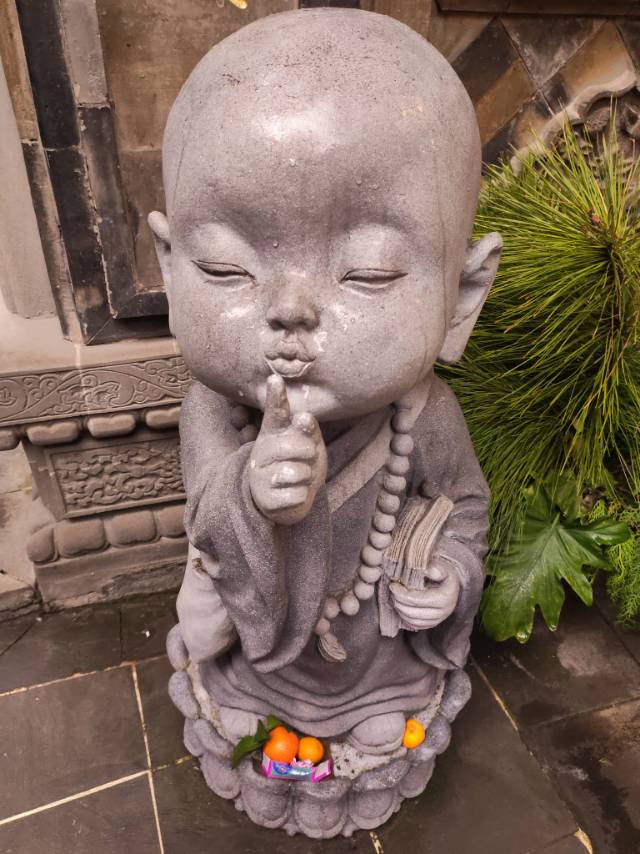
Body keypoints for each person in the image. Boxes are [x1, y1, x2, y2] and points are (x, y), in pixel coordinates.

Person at [149, 7, 501, 755]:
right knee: (241, 694)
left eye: (368, 272)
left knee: (383, 709)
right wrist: (248, 494)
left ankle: (374, 699)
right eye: (225, 267)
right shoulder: (213, 411)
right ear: (169, 271)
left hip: (373, 653)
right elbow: (210, 516)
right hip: (263, 647)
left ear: (462, 299)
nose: (289, 310)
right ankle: (254, 694)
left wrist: (449, 574)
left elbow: (465, 506)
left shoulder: (424, 415)